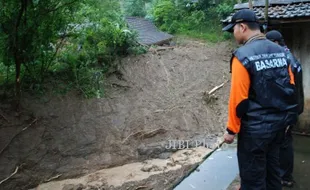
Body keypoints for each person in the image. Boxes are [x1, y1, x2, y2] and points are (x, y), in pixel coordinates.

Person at [222, 9, 298, 190]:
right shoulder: (282, 52)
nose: (233, 34)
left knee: (253, 181)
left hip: (255, 133)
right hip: (279, 128)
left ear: (242, 27)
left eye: (233, 29)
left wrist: (231, 130)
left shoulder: (242, 56)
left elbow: (238, 99)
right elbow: (291, 88)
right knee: (273, 175)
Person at [266, 30, 304, 187]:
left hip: (289, 107)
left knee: (284, 142)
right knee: (284, 141)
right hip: (294, 106)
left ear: (275, 42)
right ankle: (283, 174)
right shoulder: (289, 55)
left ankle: (286, 177)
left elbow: (289, 89)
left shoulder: (284, 59)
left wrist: (288, 112)